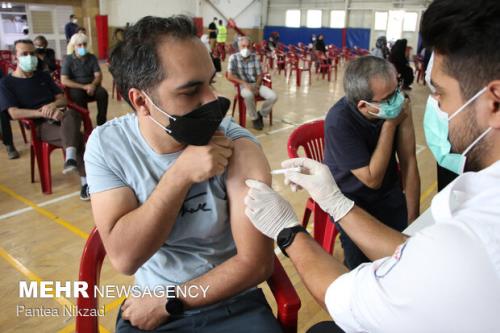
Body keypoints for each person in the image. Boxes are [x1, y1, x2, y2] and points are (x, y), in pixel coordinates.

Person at [243, 0, 500, 331]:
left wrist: (287, 230)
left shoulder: (468, 243)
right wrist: (337, 203)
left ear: (494, 102)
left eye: (440, 95)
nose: (433, 106)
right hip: (360, 202)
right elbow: (415, 252)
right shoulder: (342, 119)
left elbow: (349, 300)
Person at [85, 15, 280, 333]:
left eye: (211, 82)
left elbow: (256, 262)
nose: (213, 101)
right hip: (149, 305)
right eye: (191, 91)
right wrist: (180, 176)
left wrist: (170, 300)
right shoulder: (108, 147)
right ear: (141, 101)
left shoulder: (237, 145)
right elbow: (125, 257)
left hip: (231, 303)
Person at [324, 56, 420, 269]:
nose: (398, 100)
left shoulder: (398, 104)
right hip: (352, 203)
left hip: (388, 193)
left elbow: (409, 161)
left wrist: (413, 219)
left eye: (398, 89)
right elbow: (372, 179)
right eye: (389, 98)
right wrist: (390, 125)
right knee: (364, 269)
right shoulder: (339, 122)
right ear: (364, 105)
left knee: (408, 256)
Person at [0, 39, 89, 199]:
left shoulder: (43, 76)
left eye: (32, 53)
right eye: (24, 54)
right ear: (15, 57)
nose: (29, 57)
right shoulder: (6, 83)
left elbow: (62, 99)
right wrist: (44, 113)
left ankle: (70, 157)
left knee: (72, 114)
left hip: (61, 117)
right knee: (78, 138)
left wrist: (53, 106)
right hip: (39, 125)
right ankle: (85, 183)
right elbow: (14, 113)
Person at [227, 36, 277, 130]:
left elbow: (259, 75)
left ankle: (261, 114)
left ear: (251, 47)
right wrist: (244, 84)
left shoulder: (255, 57)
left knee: (273, 96)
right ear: (239, 47)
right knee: (249, 95)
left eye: (248, 46)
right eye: (243, 46)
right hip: (242, 86)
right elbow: (230, 76)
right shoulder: (233, 58)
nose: (246, 48)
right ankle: (254, 118)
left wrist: (257, 86)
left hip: (256, 84)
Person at [61, 33, 108, 126]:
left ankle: (102, 122)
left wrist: (93, 85)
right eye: (79, 45)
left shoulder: (92, 57)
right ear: (74, 46)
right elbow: (64, 80)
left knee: (103, 93)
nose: (82, 47)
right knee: (78, 96)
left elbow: (98, 75)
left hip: (92, 85)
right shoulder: (68, 59)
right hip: (77, 87)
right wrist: (84, 87)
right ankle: (86, 122)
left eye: (84, 44)